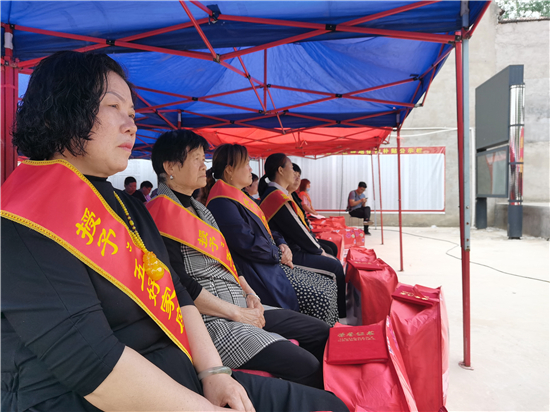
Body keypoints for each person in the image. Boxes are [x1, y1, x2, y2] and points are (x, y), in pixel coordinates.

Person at [1, 51, 348, 412]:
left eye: (132, 113)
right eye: (113, 106)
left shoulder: (128, 207)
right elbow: (90, 362)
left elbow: (177, 292)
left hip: (180, 372)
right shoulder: (24, 220)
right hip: (99, 398)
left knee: (328, 405)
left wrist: (214, 373)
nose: (131, 125)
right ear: (60, 111)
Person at [148, 130, 331, 389]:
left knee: (320, 331)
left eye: (203, 159)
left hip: (242, 302)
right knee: (306, 365)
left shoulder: (199, 209)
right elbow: (180, 286)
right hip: (212, 319)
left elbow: (227, 259)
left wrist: (250, 294)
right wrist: (238, 313)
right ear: (170, 167)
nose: (204, 166)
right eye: (197, 159)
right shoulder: (158, 214)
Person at [205, 144, 339, 326]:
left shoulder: (240, 196)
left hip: (270, 261)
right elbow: (247, 243)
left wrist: (281, 243)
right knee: (322, 295)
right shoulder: (222, 203)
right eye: (246, 164)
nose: (251, 170)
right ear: (229, 170)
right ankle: (318, 338)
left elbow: (267, 228)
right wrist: (278, 253)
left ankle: (330, 335)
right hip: (258, 272)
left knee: (328, 286)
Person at [258, 154, 347, 319]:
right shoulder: (276, 196)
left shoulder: (277, 193)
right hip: (289, 254)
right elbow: (299, 231)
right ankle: (340, 317)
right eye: (292, 168)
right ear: (280, 170)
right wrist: (319, 251)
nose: (294, 174)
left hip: (291, 248)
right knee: (334, 267)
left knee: (330, 253)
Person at [290, 164, 337, 258]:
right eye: (294, 175)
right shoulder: (284, 197)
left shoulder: (293, 195)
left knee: (332, 247)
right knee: (329, 253)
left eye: (299, 176)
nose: (297, 179)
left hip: (303, 235)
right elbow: (303, 208)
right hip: (295, 245)